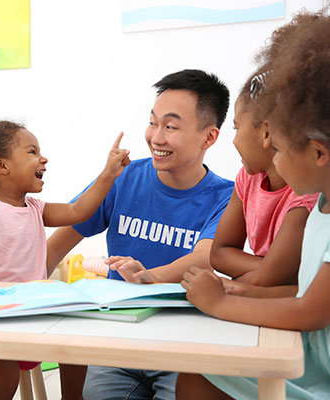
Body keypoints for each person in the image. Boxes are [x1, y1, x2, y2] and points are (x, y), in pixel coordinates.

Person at [46, 69, 234, 400]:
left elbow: (205, 256)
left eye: (171, 126)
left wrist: (149, 277)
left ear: (209, 137)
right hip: (119, 341)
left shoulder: (226, 197)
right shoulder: (124, 178)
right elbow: (56, 244)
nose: (156, 137)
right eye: (153, 122)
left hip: (183, 345)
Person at [177, 9, 330, 399]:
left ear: (317, 153)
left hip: (316, 374)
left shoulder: (312, 207)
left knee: (197, 377)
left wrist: (220, 303)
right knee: (194, 375)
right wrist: (243, 293)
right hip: (307, 357)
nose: (273, 157)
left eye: (279, 147)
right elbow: (304, 294)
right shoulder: (322, 208)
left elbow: (309, 312)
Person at [0, 120, 130, 400]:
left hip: (29, 313)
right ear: (1, 166)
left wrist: (108, 174)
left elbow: (78, 211)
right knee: (3, 372)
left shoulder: (34, 208)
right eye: (32, 152)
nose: (43, 158)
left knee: (76, 343)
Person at [209, 71, 318, 287]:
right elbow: (220, 254)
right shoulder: (247, 179)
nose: (234, 140)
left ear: (266, 133)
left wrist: (230, 284)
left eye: (236, 127)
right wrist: (271, 269)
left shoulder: (307, 195)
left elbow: (276, 280)